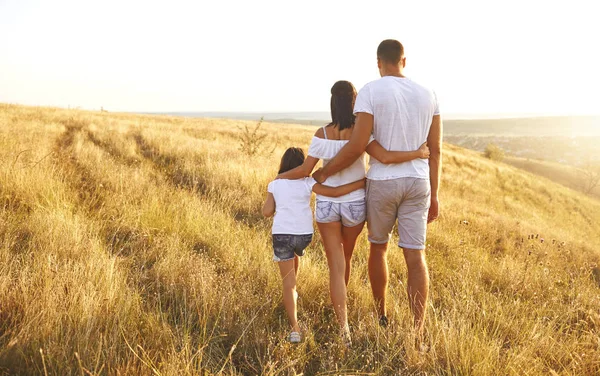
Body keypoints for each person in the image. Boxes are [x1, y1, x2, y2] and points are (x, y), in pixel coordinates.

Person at [276, 81, 430, 345]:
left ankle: (343, 328)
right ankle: (343, 311)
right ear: (355, 103)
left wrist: (279, 178)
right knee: (346, 257)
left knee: (336, 266)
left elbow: (305, 171)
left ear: (332, 103)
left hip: (326, 204)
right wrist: (419, 152)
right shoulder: (361, 133)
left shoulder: (322, 133)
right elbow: (385, 157)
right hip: (355, 204)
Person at [313, 40, 443, 343]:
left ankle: (382, 314)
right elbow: (435, 149)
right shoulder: (429, 94)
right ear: (404, 61)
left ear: (378, 62)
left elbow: (358, 145)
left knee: (378, 247)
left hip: (383, 181)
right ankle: (417, 331)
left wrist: (327, 171)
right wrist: (435, 195)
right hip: (418, 182)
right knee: (415, 255)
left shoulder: (371, 90)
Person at [262, 147, 365, 344]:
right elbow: (334, 192)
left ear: (283, 165)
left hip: (282, 235)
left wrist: (273, 202)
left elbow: (267, 212)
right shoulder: (308, 182)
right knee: (295, 255)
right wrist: (360, 183)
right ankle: (295, 293)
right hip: (303, 236)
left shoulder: (275, 184)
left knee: (288, 283)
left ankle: (295, 329)